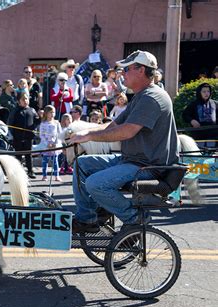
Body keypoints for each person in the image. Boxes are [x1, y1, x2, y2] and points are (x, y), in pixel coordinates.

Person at [69, 50, 179, 233]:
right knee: (81, 164)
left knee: (95, 184)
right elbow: (112, 126)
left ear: (141, 70)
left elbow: (127, 131)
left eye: (127, 69)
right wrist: (83, 131)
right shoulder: (141, 96)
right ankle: (87, 219)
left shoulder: (152, 98)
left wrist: (89, 137)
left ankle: (135, 219)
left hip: (148, 167)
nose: (122, 74)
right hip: (132, 160)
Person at [9, 91, 40, 179]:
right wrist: (13, 134)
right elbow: (10, 123)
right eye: (23, 99)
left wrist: (40, 117)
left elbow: (36, 122)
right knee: (18, 155)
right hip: (17, 137)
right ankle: (17, 172)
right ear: (19, 101)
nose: (25, 101)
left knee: (28, 155)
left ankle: (30, 171)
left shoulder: (32, 110)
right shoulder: (15, 111)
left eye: (26, 99)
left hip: (28, 137)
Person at [182, 82, 217, 148]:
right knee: (199, 153)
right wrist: (192, 120)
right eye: (204, 91)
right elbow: (185, 115)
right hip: (199, 134)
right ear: (199, 92)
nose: (206, 93)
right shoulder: (194, 104)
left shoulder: (215, 104)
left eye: (208, 91)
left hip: (213, 135)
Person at [38, 105, 62, 181]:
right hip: (46, 145)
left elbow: (59, 133)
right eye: (50, 112)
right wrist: (46, 143)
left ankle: (56, 176)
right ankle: (44, 175)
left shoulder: (56, 123)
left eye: (53, 112)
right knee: (45, 161)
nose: (52, 114)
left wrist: (56, 142)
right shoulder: (43, 123)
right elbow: (41, 134)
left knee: (55, 161)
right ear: (46, 113)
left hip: (54, 144)